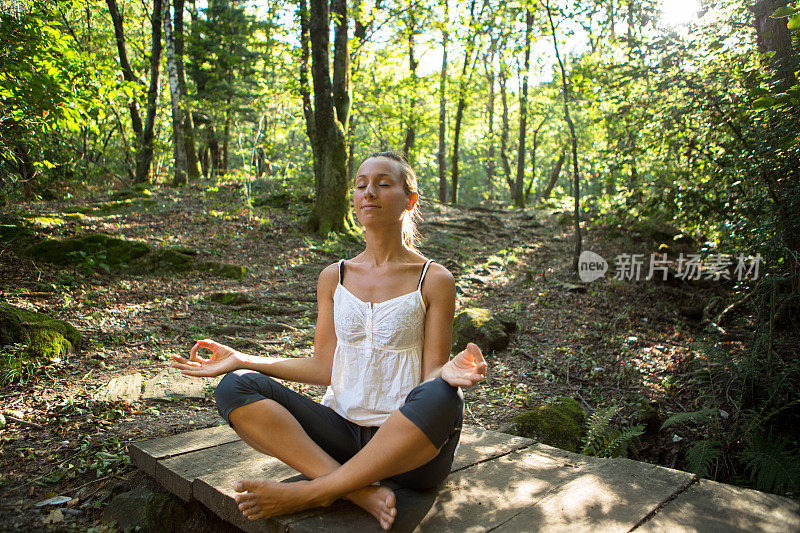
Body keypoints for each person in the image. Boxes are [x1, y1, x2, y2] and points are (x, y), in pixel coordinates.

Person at [170, 151, 488, 530]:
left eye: (383, 184)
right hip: (341, 436)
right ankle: (357, 491)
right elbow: (324, 366)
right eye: (361, 184)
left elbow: (432, 372)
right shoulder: (333, 277)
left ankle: (312, 492)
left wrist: (451, 370)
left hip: (408, 453)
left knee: (444, 394)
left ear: (410, 198)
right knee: (234, 387)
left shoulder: (434, 279)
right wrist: (241, 359)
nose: (369, 192)